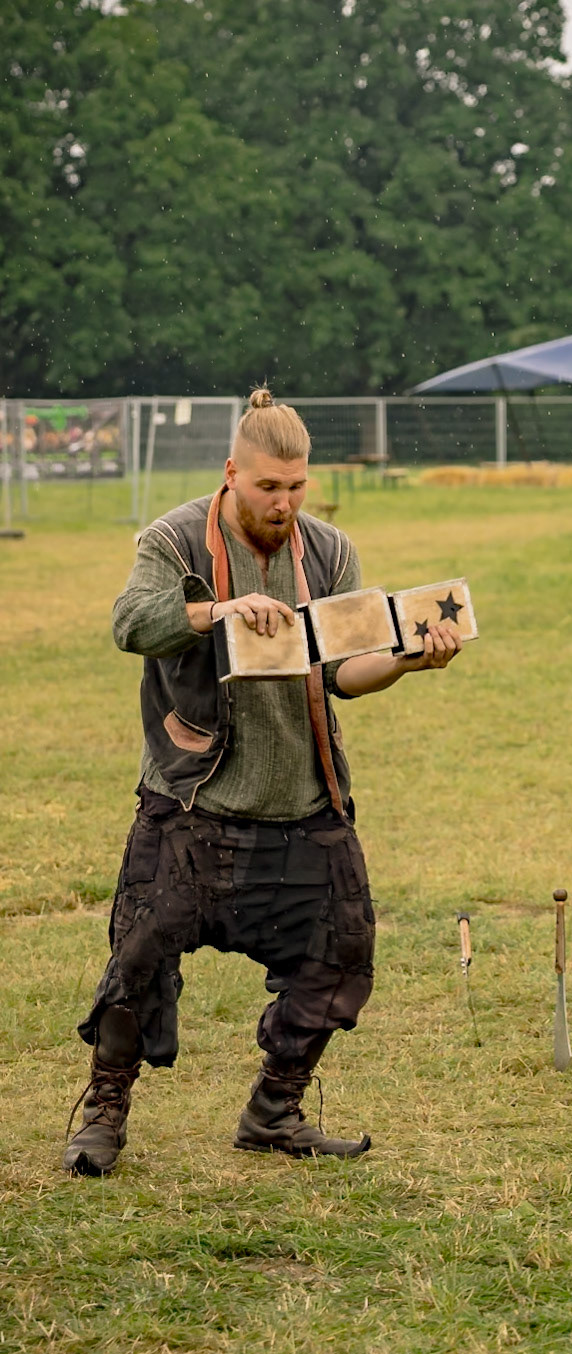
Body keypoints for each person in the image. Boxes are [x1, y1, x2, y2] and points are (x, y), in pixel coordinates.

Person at [64, 388, 461, 1176]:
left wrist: (412, 659)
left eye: (296, 486)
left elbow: (345, 669)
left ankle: (274, 1111)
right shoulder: (174, 539)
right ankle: (104, 1112)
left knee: (343, 952)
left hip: (303, 798)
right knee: (136, 961)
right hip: (195, 800)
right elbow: (130, 624)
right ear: (231, 474)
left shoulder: (328, 551)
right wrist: (218, 611)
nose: (283, 503)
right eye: (267, 487)